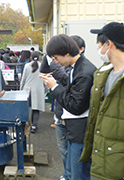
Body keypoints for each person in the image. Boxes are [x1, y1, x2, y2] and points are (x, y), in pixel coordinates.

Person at [80, 22, 124, 180]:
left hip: (123, 169)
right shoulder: (103, 73)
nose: (98, 48)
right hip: (102, 161)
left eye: (99, 44)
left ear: (108, 44)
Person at [39, 34, 96, 180]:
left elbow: (76, 106)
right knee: (73, 169)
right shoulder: (76, 67)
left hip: (80, 129)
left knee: (78, 173)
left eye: (56, 58)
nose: (55, 62)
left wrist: (54, 87)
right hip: (74, 128)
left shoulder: (84, 72)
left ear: (67, 53)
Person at [20, 51, 45, 133]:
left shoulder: (27, 66)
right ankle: (34, 125)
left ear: (31, 57)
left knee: (27, 108)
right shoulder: (42, 66)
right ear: (39, 57)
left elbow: (23, 79)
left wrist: (21, 89)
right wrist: (45, 91)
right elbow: (46, 80)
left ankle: (26, 124)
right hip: (38, 90)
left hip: (28, 89)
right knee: (36, 108)